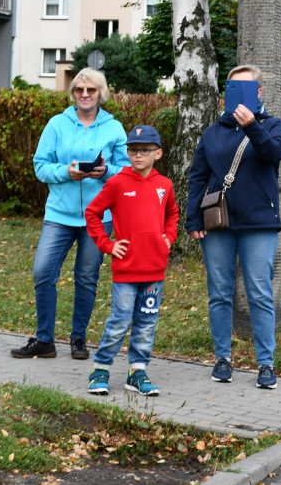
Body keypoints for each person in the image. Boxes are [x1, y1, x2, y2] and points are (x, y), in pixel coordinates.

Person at [11, 68, 130, 360]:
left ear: (101, 94)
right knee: (42, 272)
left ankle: (78, 339)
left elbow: (127, 172)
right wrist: (66, 172)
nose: (85, 94)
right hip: (59, 215)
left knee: (86, 278)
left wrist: (106, 172)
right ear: (73, 93)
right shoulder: (56, 125)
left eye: (91, 90)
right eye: (79, 90)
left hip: (98, 218)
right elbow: (40, 166)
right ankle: (44, 340)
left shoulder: (114, 128)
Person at [186, 65, 281, 390]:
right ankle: (222, 359)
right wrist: (193, 219)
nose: (238, 94)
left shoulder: (272, 125)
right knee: (219, 293)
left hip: (259, 224)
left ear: (258, 93)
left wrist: (251, 127)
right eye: (232, 88)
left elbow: (274, 154)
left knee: (259, 293)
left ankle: (266, 365)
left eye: (246, 89)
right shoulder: (213, 132)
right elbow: (198, 177)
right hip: (218, 222)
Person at [84, 124, 178, 396]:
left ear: (157, 153)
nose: (138, 155)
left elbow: (172, 213)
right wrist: (107, 245)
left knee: (147, 323)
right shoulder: (116, 183)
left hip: (154, 270)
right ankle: (100, 368)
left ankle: (137, 372)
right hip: (126, 270)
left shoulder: (165, 185)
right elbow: (93, 213)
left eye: (145, 151)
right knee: (120, 322)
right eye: (133, 150)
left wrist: (168, 238)